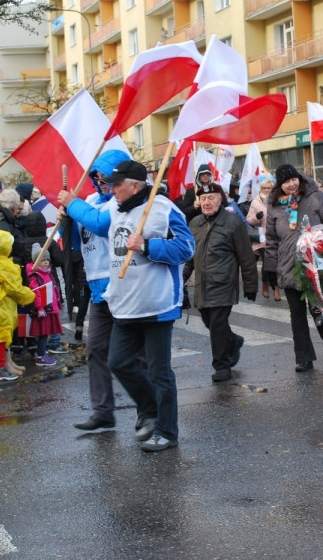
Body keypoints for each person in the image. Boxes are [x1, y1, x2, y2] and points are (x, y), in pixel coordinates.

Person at [59, 160, 194, 452]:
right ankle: (150, 409)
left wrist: (148, 246)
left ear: (135, 184)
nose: (111, 188)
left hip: (156, 303)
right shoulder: (113, 209)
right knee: (118, 362)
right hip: (123, 304)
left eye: (117, 184)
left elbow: (186, 248)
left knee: (159, 371)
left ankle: (167, 432)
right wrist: (69, 211)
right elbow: (91, 227)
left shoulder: (162, 207)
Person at [58, 149, 131, 432]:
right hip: (97, 286)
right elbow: (77, 241)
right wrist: (66, 217)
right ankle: (103, 411)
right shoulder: (88, 201)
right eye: (97, 178)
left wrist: (73, 204)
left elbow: (101, 226)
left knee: (133, 355)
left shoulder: (121, 203)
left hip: (122, 285)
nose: (101, 183)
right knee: (95, 349)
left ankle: (150, 409)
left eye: (106, 178)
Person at [264, 164, 323, 372]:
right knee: (296, 315)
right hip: (287, 265)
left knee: (317, 310)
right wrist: (270, 269)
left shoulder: (314, 197)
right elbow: (271, 240)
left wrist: (318, 236)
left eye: (293, 179)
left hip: (313, 263)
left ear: (299, 178)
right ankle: (304, 357)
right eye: (286, 182)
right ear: (280, 185)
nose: (291, 184)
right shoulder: (275, 205)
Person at [183, 182, 257, 382]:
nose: (207, 202)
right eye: (203, 199)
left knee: (217, 324)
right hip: (202, 285)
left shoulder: (233, 222)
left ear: (220, 199)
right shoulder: (195, 224)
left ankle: (222, 366)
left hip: (223, 284)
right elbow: (190, 256)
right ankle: (233, 340)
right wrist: (180, 281)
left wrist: (251, 284)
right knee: (210, 322)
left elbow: (246, 256)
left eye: (211, 198)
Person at [0, 228, 35, 381]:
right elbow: (16, 289)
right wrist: (30, 295)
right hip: (1, 309)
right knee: (0, 339)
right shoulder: (6, 266)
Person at [25, 243, 63, 367]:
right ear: (36, 261)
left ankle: (43, 353)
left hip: (50, 307)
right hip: (43, 310)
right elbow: (36, 293)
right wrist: (40, 308)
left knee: (45, 333)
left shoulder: (47, 273)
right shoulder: (35, 275)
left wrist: (58, 302)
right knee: (43, 334)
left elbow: (54, 290)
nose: (46, 262)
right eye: (42, 260)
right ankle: (41, 356)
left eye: (47, 259)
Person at [247, 173, 281, 301]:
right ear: (260, 189)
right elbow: (249, 220)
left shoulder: (277, 200)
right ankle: (271, 287)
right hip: (261, 237)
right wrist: (256, 217)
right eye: (264, 188)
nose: (267, 190)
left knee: (274, 263)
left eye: (269, 188)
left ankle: (270, 285)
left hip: (276, 236)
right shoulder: (255, 202)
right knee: (268, 263)